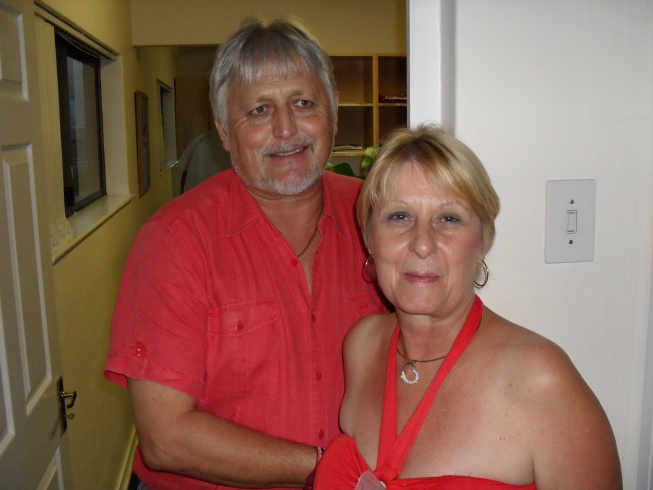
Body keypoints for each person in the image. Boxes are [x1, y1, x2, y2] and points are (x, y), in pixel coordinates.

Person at [104, 17, 387, 490]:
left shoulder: (380, 217)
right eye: (259, 110)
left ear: (333, 110)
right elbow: (165, 438)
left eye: (303, 102)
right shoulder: (174, 241)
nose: (286, 128)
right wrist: (329, 468)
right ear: (223, 131)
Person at [314, 124, 622, 489]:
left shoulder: (540, 381)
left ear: (482, 241)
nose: (422, 244)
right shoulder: (362, 346)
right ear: (369, 237)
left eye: (449, 218)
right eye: (399, 216)